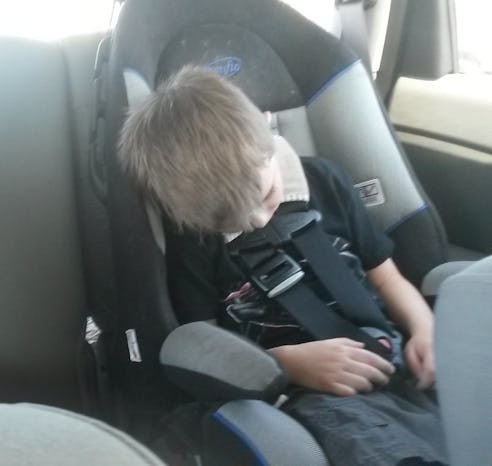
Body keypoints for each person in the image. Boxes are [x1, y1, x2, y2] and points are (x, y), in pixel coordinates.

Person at [117, 65, 446, 465]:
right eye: (229, 221)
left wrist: (424, 327)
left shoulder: (326, 180)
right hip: (304, 393)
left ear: (269, 137)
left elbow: (387, 275)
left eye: (266, 193)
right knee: (363, 441)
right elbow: (207, 342)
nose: (256, 221)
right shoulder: (194, 239)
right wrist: (287, 364)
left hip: (388, 355)